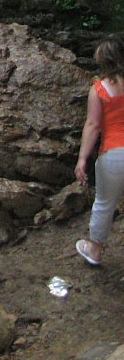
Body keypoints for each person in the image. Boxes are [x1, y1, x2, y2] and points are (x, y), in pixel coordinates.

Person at [74, 38, 124, 265]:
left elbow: (93, 126)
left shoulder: (99, 89)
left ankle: (94, 251)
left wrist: (82, 158)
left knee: (104, 203)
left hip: (113, 153)